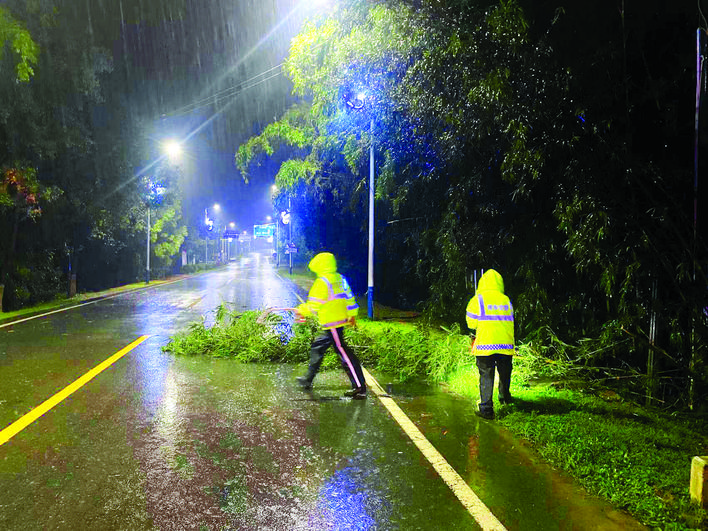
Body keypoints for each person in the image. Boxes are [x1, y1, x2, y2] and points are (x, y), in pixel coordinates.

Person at [295, 252, 367, 399]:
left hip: (332, 323)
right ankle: (307, 379)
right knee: (318, 346)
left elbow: (314, 305)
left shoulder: (322, 282)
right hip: (335, 321)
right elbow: (349, 297)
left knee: (344, 353)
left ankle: (359, 387)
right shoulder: (340, 278)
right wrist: (352, 314)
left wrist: (301, 310)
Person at [465, 269, 515, 419]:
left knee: (486, 374)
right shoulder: (506, 300)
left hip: (485, 345)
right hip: (505, 345)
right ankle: (505, 397)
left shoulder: (477, 300)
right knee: (505, 372)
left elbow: (471, 323)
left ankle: (486, 409)